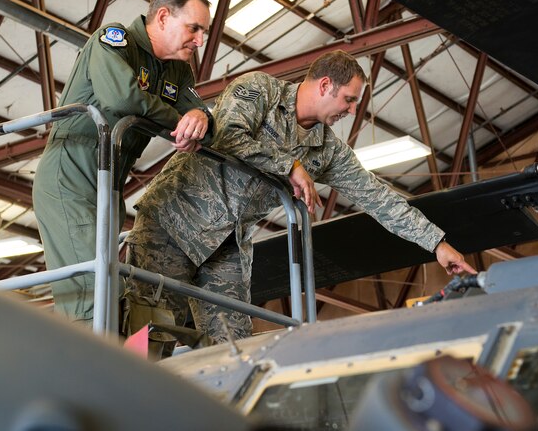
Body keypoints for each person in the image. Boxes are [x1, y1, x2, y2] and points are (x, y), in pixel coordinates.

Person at [125, 50, 475, 346]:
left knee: (233, 345)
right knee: (152, 331)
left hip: (227, 246)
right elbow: (229, 136)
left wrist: (438, 245)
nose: (351, 111)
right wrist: (288, 165)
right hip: (173, 223)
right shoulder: (259, 90)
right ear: (325, 85)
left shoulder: (328, 150)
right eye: (349, 99)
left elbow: (379, 198)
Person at [33, 0, 214, 324]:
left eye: (203, 31)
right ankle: (88, 373)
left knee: (117, 291)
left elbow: (206, 124)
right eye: (194, 28)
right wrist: (180, 121)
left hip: (112, 179)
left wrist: (200, 117)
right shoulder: (115, 40)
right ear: (163, 17)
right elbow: (123, 99)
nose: (200, 41)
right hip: (71, 172)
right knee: (93, 290)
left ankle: (118, 364)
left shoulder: (177, 70)